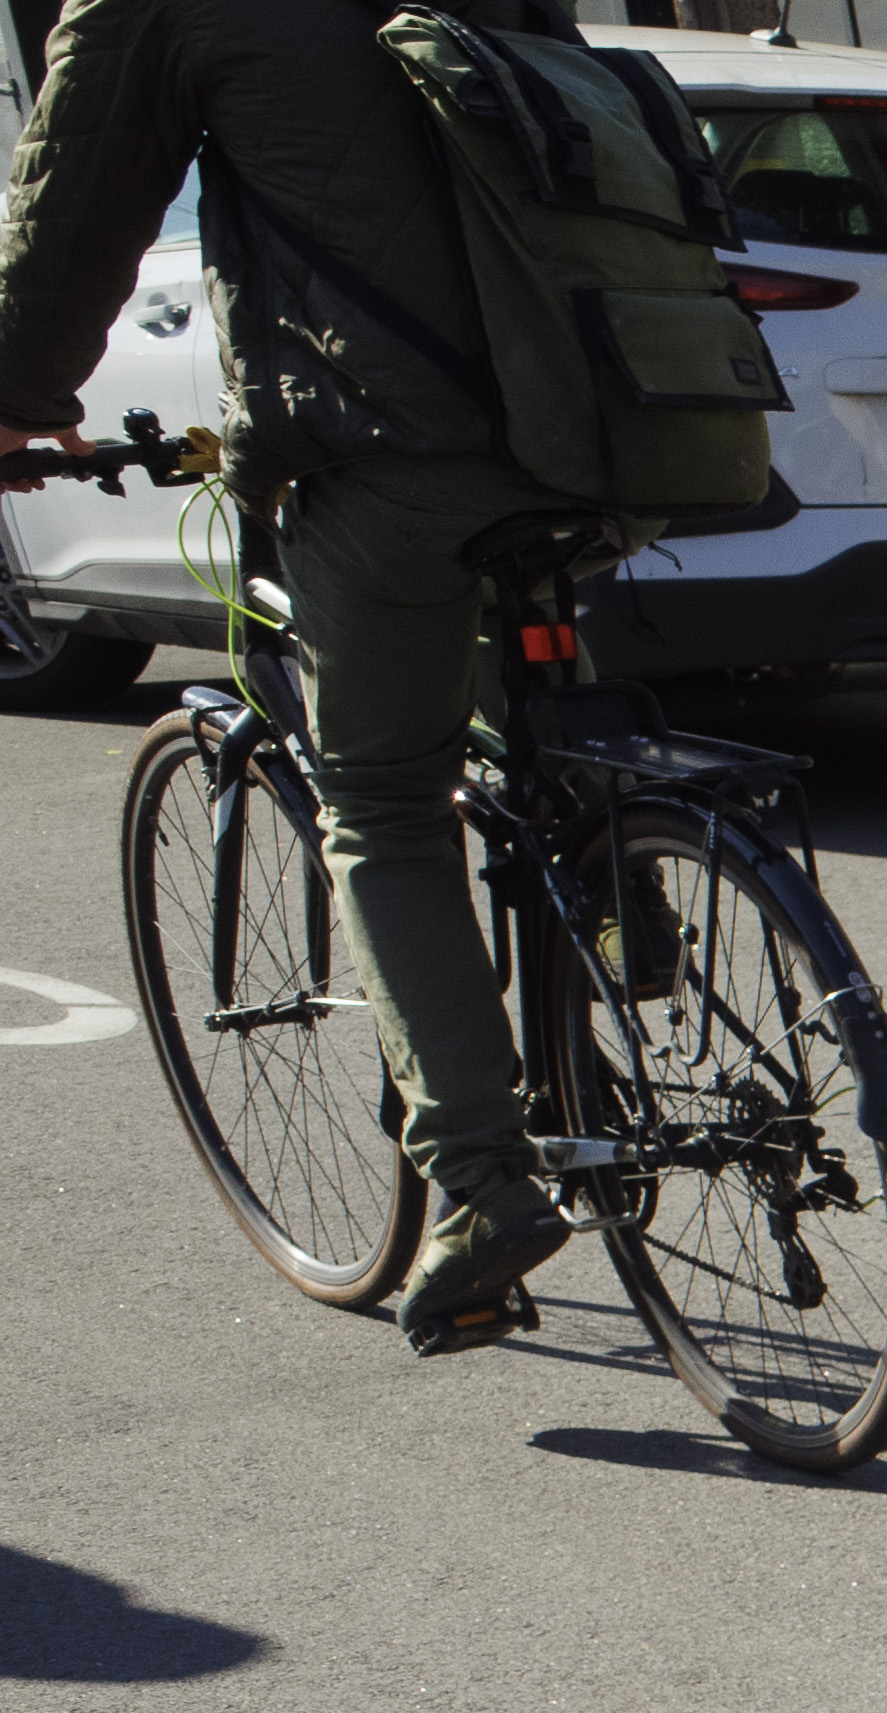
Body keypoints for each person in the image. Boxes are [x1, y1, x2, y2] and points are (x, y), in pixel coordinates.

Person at [0, 0, 611, 1346]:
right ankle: (628, 948)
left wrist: (19, 391)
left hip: (391, 443)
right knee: (558, 735)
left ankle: (479, 1189)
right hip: (619, 416)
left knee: (384, 796)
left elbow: (71, 214)